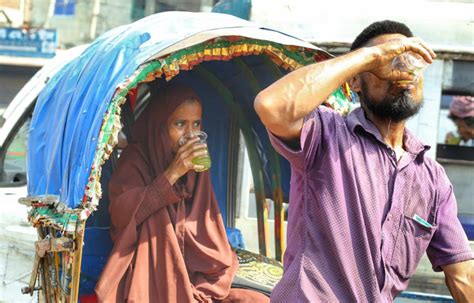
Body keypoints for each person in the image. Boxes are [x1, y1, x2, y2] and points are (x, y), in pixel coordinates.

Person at [254, 20, 474, 302]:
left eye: (409, 60)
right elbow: (271, 106)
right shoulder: (325, 133)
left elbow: (463, 275)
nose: (400, 71)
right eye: (387, 61)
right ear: (356, 79)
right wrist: (371, 57)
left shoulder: (432, 179)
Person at [96, 84, 269, 303]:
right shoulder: (135, 159)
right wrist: (171, 174)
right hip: (150, 274)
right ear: (160, 126)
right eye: (180, 124)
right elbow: (122, 218)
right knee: (155, 219)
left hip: (196, 273)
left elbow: (207, 232)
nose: (190, 135)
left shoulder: (195, 165)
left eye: (196, 124)